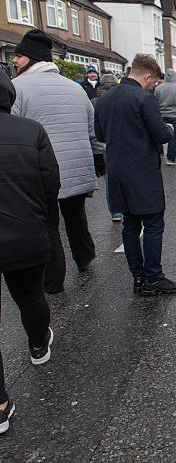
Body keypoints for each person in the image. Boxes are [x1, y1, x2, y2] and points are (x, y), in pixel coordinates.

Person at [11, 29, 99, 293]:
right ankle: (85, 257)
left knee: (48, 223)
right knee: (75, 215)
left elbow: (11, 131)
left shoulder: (17, 88)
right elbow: (92, 128)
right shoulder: (75, 88)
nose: (15, 61)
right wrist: (98, 157)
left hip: (40, 170)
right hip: (78, 166)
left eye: (18, 56)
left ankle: (53, 281)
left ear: (30, 58)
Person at [94, 54, 176, 296]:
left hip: (117, 172)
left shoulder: (104, 99)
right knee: (153, 224)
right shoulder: (144, 99)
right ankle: (154, 277)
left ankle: (139, 279)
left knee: (130, 226)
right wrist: (168, 128)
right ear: (146, 76)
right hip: (143, 171)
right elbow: (161, 135)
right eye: (153, 82)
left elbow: (100, 135)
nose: (153, 86)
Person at [0, 68, 59, 434]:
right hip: (24, 235)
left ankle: (0, 405)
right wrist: (45, 221)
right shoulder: (29, 130)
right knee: (31, 296)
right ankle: (39, 345)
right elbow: (50, 182)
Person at [91, 74, 123, 221]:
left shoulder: (94, 102)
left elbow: (92, 127)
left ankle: (115, 212)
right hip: (121, 145)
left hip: (102, 144)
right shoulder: (121, 100)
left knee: (109, 180)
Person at [154, 69, 176, 166]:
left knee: (160, 135)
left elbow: (154, 102)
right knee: (173, 137)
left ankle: (163, 152)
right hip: (174, 116)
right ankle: (171, 157)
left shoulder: (158, 88)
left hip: (161, 115)